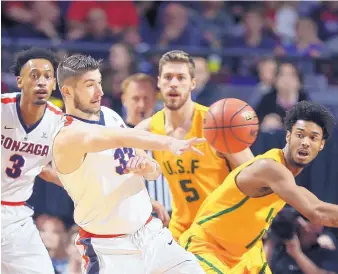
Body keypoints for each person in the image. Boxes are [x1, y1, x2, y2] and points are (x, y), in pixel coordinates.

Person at [52, 54, 206, 273]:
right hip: (111, 250)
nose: (99, 92)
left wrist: (147, 166)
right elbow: (120, 138)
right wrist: (170, 142)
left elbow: (152, 172)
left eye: (99, 83)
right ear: (66, 91)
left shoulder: (110, 115)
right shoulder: (68, 135)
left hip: (152, 236)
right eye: (89, 85)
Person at [179, 101, 338, 274]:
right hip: (207, 248)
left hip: (244, 255)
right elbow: (317, 212)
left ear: (321, 145)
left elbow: (324, 215)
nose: (305, 142)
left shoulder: (286, 180)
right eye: (300, 135)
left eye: (313, 137)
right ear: (288, 136)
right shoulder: (269, 168)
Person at [136, 50, 255, 240]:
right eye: (168, 77)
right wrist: (144, 198)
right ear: (158, 82)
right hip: (182, 230)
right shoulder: (148, 129)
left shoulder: (217, 123)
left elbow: (256, 174)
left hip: (222, 229)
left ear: (193, 83)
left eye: (181, 78)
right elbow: (119, 166)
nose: (173, 83)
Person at [1, 48, 63, 274]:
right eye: (34, 75)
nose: (41, 82)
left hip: (16, 218)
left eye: (47, 77)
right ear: (20, 81)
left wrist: (85, 190)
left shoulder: (59, 124)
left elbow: (45, 170)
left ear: (54, 84)